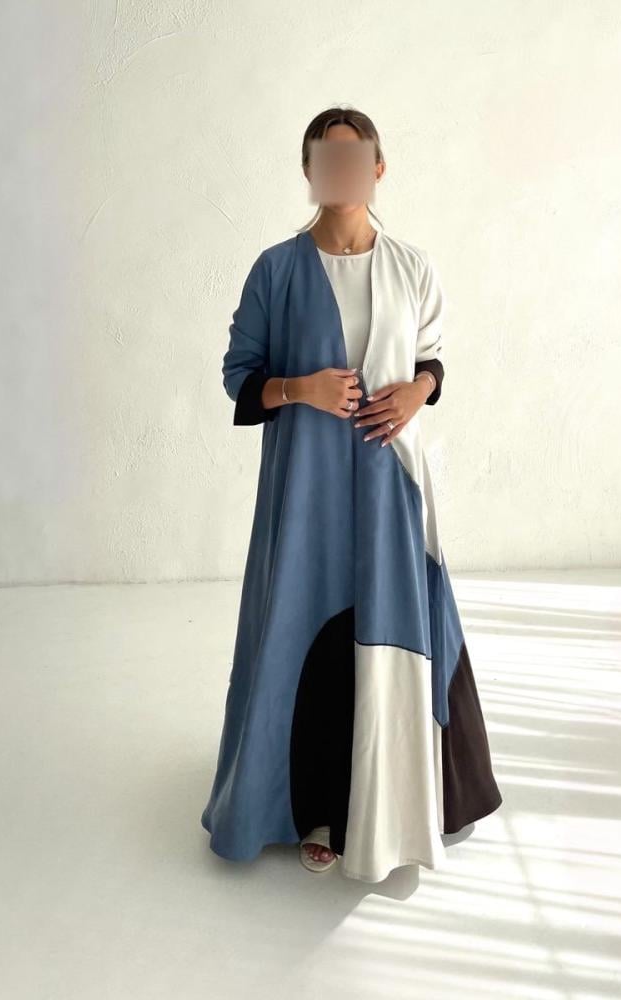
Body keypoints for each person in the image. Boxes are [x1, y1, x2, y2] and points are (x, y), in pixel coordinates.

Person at [199, 106, 502, 882]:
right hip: (308, 489)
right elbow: (238, 378)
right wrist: (299, 387)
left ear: (377, 168)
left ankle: (399, 802)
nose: (339, 172)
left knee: (397, 625)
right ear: (309, 172)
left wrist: (417, 393)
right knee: (307, 628)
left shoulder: (412, 266)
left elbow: (431, 358)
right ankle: (317, 808)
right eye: (324, 159)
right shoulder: (276, 270)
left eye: (354, 158)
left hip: (391, 482)